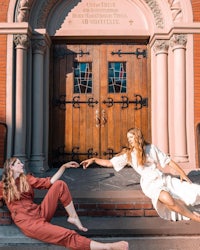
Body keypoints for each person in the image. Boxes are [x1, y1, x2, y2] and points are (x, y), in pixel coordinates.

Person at [0, 157, 129, 250]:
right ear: (11, 167)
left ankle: (73, 217)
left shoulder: (27, 179)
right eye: (18, 163)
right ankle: (106, 247)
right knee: (67, 234)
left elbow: (49, 183)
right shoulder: (3, 186)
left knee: (59, 185)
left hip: (39, 212)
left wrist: (63, 167)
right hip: (29, 223)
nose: (22, 164)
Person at [81, 127, 200, 222]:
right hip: (150, 184)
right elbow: (109, 163)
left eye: (132, 137)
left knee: (192, 190)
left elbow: (168, 161)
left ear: (138, 136)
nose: (130, 141)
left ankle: (192, 212)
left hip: (162, 178)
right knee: (167, 198)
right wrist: (94, 160)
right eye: (128, 139)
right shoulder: (128, 155)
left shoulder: (151, 148)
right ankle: (195, 217)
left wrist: (182, 173)